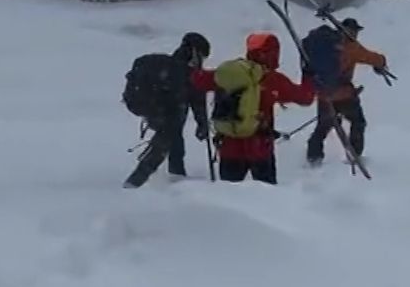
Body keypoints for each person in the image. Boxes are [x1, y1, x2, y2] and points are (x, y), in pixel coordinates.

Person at [193, 31, 315, 184]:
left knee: (228, 197)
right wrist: (308, 76)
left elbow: (199, 81)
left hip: (229, 147)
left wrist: (195, 61)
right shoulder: (274, 80)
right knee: (266, 197)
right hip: (260, 149)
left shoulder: (230, 75)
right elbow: (306, 97)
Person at [122, 32, 211, 188]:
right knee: (167, 138)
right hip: (166, 110)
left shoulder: (166, 65)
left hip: (152, 107)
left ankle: (175, 176)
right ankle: (136, 182)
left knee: (173, 136)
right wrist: (202, 124)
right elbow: (198, 101)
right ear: (196, 52)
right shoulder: (187, 72)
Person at [302, 18, 387, 167]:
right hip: (344, 96)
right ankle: (354, 155)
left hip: (324, 94)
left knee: (323, 127)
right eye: (355, 31)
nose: (356, 34)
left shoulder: (326, 46)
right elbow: (373, 58)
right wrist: (382, 62)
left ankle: (313, 158)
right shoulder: (351, 47)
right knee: (358, 122)